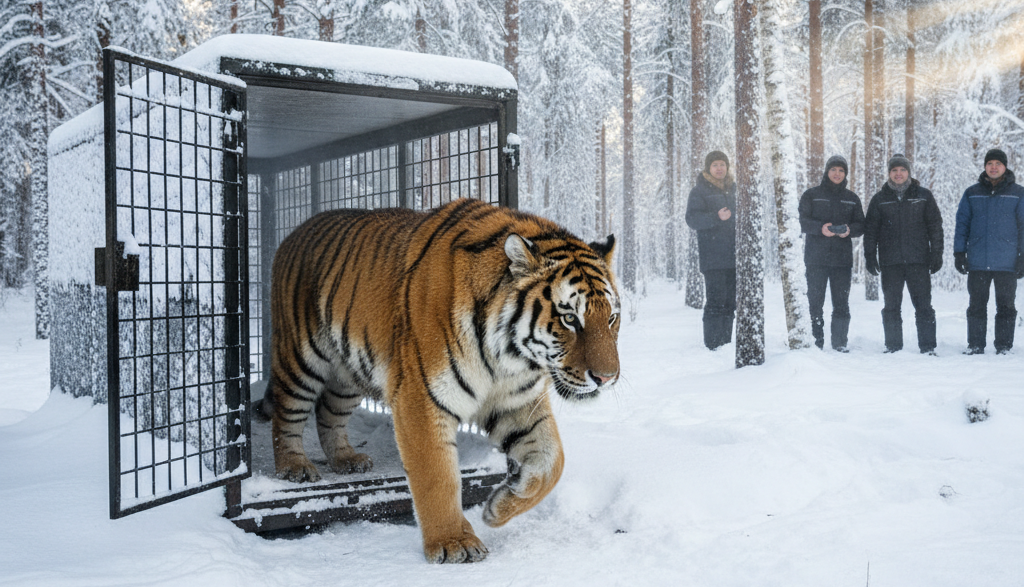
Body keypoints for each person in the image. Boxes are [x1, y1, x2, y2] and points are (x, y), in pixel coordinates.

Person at [863, 154, 944, 354]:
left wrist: (937, 253)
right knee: (891, 306)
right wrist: (870, 255)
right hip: (891, 262)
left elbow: (935, 226)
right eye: (894, 170)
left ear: (908, 172)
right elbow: (871, 230)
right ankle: (893, 346)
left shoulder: (923, 195)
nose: (898, 174)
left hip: (919, 260)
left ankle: (928, 347)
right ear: (889, 173)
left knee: (924, 305)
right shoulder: (879, 199)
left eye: (902, 170)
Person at [953, 148, 1024, 355]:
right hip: (977, 261)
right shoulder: (972, 193)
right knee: (976, 305)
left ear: (1005, 167)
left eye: (998, 164)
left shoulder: (1018, 193)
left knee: (1006, 306)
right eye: (990, 163)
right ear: (985, 167)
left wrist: (1022, 256)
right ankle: (976, 345)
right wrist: (959, 252)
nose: (994, 167)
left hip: (1007, 261)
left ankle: (1003, 346)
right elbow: (962, 224)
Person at [798, 155, 866, 352]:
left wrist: (848, 230)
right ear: (827, 172)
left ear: (845, 174)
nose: (837, 173)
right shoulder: (812, 195)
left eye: (841, 170)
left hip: (842, 261)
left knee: (841, 304)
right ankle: (815, 343)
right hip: (815, 259)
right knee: (814, 303)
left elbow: (861, 225)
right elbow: (801, 221)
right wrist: (821, 228)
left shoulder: (852, 198)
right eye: (834, 169)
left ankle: (839, 343)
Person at [686, 151, 736, 350]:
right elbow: (692, 219)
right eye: (715, 165)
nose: (719, 168)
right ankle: (712, 345)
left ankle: (727, 343)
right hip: (713, 257)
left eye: (722, 164)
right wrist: (716, 217)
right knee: (715, 301)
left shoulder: (734, 189)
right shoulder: (699, 191)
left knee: (730, 303)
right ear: (708, 168)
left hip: (734, 257)